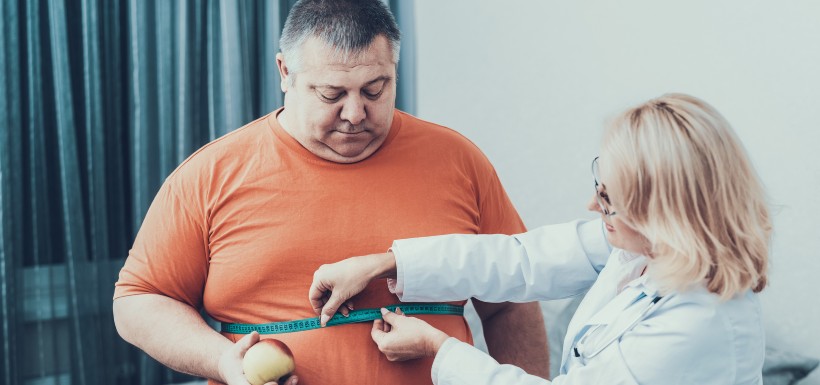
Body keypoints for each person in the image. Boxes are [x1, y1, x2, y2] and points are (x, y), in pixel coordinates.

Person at [112, 1, 549, 384]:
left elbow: (511, 300)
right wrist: (223, 361)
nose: (356, 113)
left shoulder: (458, 159)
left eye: (375, 90)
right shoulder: (210, 173)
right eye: (332, 93)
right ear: (285, 72)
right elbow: (140, 300)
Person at [310, 93, 772, 384]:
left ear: (663, 214)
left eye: (610, 200)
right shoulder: (645, 250)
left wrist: (439, 352)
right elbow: (520, 259)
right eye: (599, 185)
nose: (594, 207)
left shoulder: (699, 325)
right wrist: (386, 263)